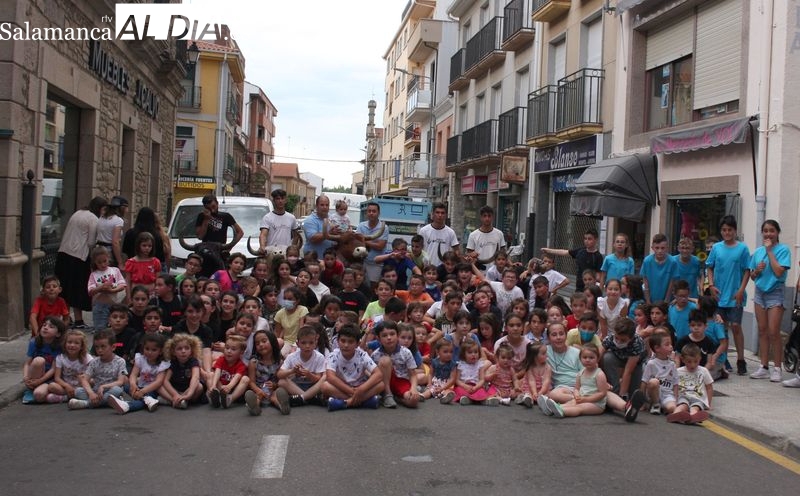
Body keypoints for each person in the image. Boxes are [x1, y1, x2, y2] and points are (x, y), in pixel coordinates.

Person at [706, 215, 751, 375]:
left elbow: (747, 270)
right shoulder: (717, 248)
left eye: (730, 230)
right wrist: (711, 285)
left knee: (736, 326)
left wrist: (741, 289)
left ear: (735, 230)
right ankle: (723, 359)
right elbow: (709, 267)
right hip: (719, 295)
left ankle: (741, 359)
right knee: (720, 328)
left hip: (735, 296)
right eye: (724, 230)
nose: (727, 232)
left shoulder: (743, 248)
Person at [54, 196, 107, 328]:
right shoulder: (93, 219)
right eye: (104, 209)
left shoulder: (77, 213)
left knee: (64, 288)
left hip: (63, 253)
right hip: (79, 256)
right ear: (100, 208)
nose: (104, 213)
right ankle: (78, 320)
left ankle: (66, 317)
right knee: (78, 289)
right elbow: (90, 242)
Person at [749, 220, 790, 382]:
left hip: (775, 292)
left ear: (777, 233)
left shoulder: (783, 250)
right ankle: (763, 366)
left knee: (774, 331)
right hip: (760, 292)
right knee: (762, 330)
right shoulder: (758, 252)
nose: (768, 234)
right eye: (765, 231)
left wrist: (770, 251)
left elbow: (780, 271)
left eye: (771, 231)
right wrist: (756, 271)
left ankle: (777, 368)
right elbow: (752, 275)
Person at [322, 324, 384, 411]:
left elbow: (378, 374)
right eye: (343, 341)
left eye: (350, 342)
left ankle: (346, 403)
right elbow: (330, 376)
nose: (346, 345)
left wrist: (361, 389)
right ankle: (364, 401)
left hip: (360, 387)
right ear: (338, 341)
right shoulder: (334, 355)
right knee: (325, 386)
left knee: (381, 385)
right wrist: (352, 392)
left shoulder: (362, 354)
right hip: (342, 388)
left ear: (357, 344)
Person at [107, 333, 169, 414]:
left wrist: (142, 392)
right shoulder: (140, 358)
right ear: (143, 348)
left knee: (145, 399)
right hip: (140, 386)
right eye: (147, 349)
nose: (149, 352)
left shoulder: (162, 364)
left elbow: (158, 382)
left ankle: (127, 406)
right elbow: (133, 375)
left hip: (152, 389)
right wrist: (133, 385)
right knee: (126, 386)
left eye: (154, 350)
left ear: (160, 351)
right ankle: (147, 399)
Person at [543, 344, 609, 418]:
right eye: (585, 357)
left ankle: (561, 411)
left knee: (579, 408)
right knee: (570, 403)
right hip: (582, 398)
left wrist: (586, 399)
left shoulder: (599, 374)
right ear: (580, 359)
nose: (587, 360)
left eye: (591, 357)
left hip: (596, 404)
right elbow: (577, 388)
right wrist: (576, 395)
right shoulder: (581, 372)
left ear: (597, 359)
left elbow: (602, 393)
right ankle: (554, 408)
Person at [68, 329, 128, 410]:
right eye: (97, 347)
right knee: (78, 391)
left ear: (113, 347)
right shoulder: (94, 362)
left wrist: (104, 386)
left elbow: (120, 382)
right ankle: (106, 403)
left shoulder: (120, 361)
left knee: (117, 390)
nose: (99, 350)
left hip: (110, 390)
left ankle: (86, 403)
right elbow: (84, 380)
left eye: (103, 346)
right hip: (96, 392)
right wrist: (91, 393)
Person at [275, 326, 327, 414]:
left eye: (311, 343)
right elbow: (279, 374)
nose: (307, 346)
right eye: (303, 343)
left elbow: (318, 378)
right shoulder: (292, 357)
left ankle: (302, 398)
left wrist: (309, 375)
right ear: (298, 344)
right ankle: (310, 399)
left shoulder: (319, 357)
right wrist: (292, 371)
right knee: (281, 382)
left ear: (315, 343)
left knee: (325, 378)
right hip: (296, 386)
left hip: (312, 386)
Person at [371, 320, 420, 408]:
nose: (389, 338)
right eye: (384, 335)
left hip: (401, 381)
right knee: (385, 360)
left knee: (414, 401)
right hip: (384, 383)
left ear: (397, 335)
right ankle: (388, 394)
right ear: (378, 339)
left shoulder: (406, 352)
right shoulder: (375, 354)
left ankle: (398, 398)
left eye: (392, 334)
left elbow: (413, 374)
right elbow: (371, 374)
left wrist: (413, 388)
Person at [667, 343, 714, 424]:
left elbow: (709, 387)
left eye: (696, 361)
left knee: (695, 407)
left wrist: (708, 403)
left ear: (700, 359)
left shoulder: (703, 371)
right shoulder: (678, 371)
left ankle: (693, 417)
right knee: (682, 405)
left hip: (698, 398)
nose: (693, 365)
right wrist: (674, 399)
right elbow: (674, 386)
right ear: (683, 359)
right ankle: (675, 415)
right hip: (683, 396)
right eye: (689, 362)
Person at [21, 316, 63, 404]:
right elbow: (27, 363)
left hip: (50, 378)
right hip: (35, 374)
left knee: (39, 396)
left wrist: (40, 381)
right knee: (38, 360)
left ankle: (42, 390)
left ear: (58, 334)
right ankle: (31, 389)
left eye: (51, 327)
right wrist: (25, 377)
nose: (46, 327)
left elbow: (53, 369)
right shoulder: (34, 342)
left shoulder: (59, 346)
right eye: (44, 325)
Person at [601, 317, 646, 400]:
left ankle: (622, 397)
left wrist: (622, 395)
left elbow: (628, 371)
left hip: (635, 363)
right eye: (617, 338)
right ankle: (614, 391)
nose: (618, 342)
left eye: (623, 340)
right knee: (607, 358)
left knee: (633, 394)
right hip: (617, 358)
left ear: (631, 338)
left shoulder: (637, 344)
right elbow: (598, 356)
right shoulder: (610, 338)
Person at [159, 333, 204, 409]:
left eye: (187, 348)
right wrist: (175, 394)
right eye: (179, 349)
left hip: (188, 390)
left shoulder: (193, 361)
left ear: (191, 350)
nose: (183, 351)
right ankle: (175, 400)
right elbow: (166, 381)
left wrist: (189, 394)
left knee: (199, 386)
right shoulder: (173, 362)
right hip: (175, 389)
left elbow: (195, 377)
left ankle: (182, 400)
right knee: (159, 386)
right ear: (173, 352)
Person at [87, 246, 127, 332]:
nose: (103, 264)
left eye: (105, 261)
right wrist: (101, 287)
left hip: (113, 304)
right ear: (95, 262)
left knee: (116, 329)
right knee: (100, 330)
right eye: (99, 262)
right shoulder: (94, 275)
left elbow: (122, 285)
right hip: (99, 306)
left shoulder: (115, 270)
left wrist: (112, 290)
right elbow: (90, 291)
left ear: (108, 258)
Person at [46, 329, 91, 404]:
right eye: (69, 342)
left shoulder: (87, 358)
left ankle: (66, 397)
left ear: (81, 346)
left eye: (76, 343)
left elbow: (92, 374)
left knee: (92, 381)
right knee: (51, 386)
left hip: (82, 386)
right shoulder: (60, 358)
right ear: (65, 344)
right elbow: (57, 378)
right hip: (66, 386)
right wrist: (66, 386)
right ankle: (74, 396)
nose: (72, 345)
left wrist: (84, 379)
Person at [244, 330, 283, 416]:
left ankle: (282, 406)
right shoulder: (253, 362)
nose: (261, 345)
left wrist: (274, 385)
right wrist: (258, 390)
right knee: (257, 397)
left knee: (275, 396)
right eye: (257, 343)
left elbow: (280, 380)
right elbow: (251, 382)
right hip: (258, 389)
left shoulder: (279, 362)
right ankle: (254, 407)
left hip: (273, 390)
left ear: (272, 342)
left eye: (264, 341)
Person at [207, 335, 250, 409]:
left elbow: (237, 378)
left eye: (233, 349)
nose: (229, 351)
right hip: (220, 387)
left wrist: (229, 387)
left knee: (246, 379)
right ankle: (213, 395)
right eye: (227, 348)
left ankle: (230, 399)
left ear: (241, 352)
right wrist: (213, 385)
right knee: (211, 374)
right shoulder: (221, 359)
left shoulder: (241, 365)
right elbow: (217, 372)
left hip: (232, 389)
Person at [642, 331, 678, 416]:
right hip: (653, 394)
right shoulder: (651, 363)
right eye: (667, 344)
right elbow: (644, 382)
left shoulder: (672, 364)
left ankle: (669, 410)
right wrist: (642, 402)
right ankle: (655, 404)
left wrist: (676, 399)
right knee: (653, 382)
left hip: (667, 395)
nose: (671, 347)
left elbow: (676, 383)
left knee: (672, 408)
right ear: (657, 348)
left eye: (671, 344)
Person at [453, 339, 496, 406]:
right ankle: (467, 399)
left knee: (481, 391)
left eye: (476, 352)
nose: (473, 355)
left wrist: (476, 387)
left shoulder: (480, 365)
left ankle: (485, 401)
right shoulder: (460, 364)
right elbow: (457, 380)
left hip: (476, 385)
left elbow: (482, 379)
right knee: (459, 390)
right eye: (470, 352)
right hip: (464, 385)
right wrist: (465, 386)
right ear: (464, 354)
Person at [357, 201, 390, 285]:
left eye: (374, 211)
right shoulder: (361, 226)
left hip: (376, 264)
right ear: (366, 213)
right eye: (369, 211)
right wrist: (370, 242)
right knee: (359, 285)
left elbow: (380, 246)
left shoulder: (384, 227)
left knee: (373, 286)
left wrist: (364, 240)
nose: (371, 213)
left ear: (378, 213)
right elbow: (357, 242)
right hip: (362, 262)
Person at [419, 202, 460, 267]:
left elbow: (457, 251)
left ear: (446, 215)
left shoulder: (450, 232)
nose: (440, 215)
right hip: (427, 269)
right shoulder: (423, 231)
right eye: (437, 212)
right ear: (433, 214)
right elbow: (418, 249)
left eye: (442, 213)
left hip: (444, 269)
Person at [465, 205, 506, 270]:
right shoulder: (473, 235)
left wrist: (511, 264)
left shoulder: (499, 234)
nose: (487, 218)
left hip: (495, 271)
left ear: (492, 217)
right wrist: (471, 255)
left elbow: (503, 254)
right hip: (478, 271)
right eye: (484, 216)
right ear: (481, 217)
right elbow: (469, 254)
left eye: (489, 216)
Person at [258, 189, 299, 253]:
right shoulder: (267, 218)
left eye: (282, 198)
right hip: (272, 253)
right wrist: (262, 246)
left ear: (286, 200)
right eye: (278, 199)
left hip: (286, 253)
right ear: (274, 201)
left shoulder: (291, 218)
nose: (280, 201)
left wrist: (292, 249)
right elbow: (263, 235)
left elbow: (296, 236)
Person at [640, 233, 677, 304]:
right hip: (650, 299)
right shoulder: (647, 261)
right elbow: (645, 282)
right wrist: (648, 301)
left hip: (667, 300)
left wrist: (666, 301)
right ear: (652, 248)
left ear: (667, 248)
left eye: (662, 248)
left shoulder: (672, 262)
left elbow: (672, 283)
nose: (660, 251)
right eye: (657, 248)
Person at [273, 286, 309, 357]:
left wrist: (297, 345)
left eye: (289, 299)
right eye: (285, 298)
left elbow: (302, 328)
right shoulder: (279, 313)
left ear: (297, 300)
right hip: (286, 342)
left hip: (300, 341)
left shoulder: (302, 310)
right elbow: (277, 332)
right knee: (281, 355)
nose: (286, 301)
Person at [124, 232, 161, 298]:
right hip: (136, 295)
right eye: (144, 245)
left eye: (149, 246)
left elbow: (158, 281)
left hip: (151, 295)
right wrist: (128, 297)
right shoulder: (131, 262)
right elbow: (128, 282)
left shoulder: (155, 262)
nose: (147, 248)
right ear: (138, 246)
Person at [96, 195, 128, 267]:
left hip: (98, 250)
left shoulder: (102, 218)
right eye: (126, 208)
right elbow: (115, 242)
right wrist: (120, 262)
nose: (127, 211)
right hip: (109, 253)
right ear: (122, 208)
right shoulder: (118, 220)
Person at [303, 195, 337, 260]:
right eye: (322, 205)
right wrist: (329, 232)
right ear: (316, 206)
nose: (325, 207)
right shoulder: (310, 220)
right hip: (313, 260)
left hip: (329, 261)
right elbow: (313, 239)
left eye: (327, 205)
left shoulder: (332, 219)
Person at [520, 342, 552, 408]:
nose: (546, 355)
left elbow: (546, 381)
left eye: (546, 352)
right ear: (535, 356)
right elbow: (531, 381)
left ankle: (543, 401)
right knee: (528, 393)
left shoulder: (547, 367)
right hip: (531, 388)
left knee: (548, 395)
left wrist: (541, 392)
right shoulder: (530, 367)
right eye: (543, 353)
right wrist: (534, 392)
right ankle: (528, 399)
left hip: (543, 388)